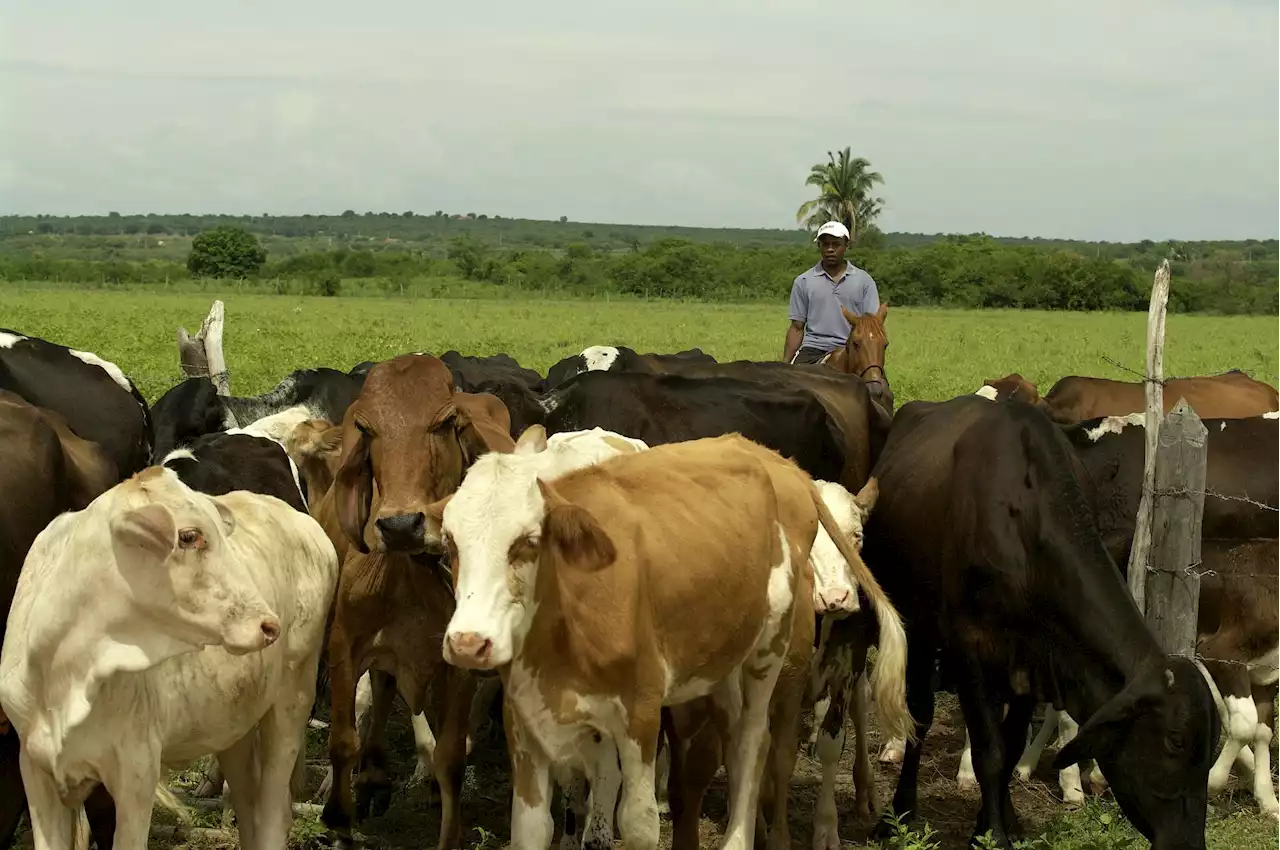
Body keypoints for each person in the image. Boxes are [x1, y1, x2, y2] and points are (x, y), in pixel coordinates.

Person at [783, 220, 881, 365]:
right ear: (819, 246)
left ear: (846, 246)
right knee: (792, 384)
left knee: (877, 386)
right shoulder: (803, 281)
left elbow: (871, 326)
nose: (830, 249)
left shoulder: (864, 281)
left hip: (851, 348)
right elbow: (797, 328)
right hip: (813, 349)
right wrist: (785, 365)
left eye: (836, 244)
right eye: (825, 244)